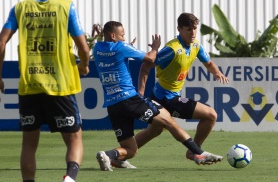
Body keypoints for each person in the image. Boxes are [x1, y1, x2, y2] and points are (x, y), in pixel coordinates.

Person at [93, 21, 223, 172]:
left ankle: (108, 155)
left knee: (131, 149)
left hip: (113, 105)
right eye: (122, 35)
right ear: (113, 35)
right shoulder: (122, 47)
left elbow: (114, 51)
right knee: (169, 121)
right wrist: (155, 47)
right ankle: (198, 153)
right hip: (129, 99)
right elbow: (150, 59)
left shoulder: (97, 48)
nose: (123, 38)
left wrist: (126, 46)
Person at [0, 0, 90, 181]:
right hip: (60, 86)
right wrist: (85, 65)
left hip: (30, 85)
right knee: (74, 139)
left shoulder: (20, 8)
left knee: (29, 143)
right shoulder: (66, 6)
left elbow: (0, 43)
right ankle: (69, 178)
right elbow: (84, 48)